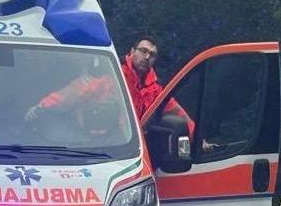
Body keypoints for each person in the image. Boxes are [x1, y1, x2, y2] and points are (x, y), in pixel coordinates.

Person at [25, 36, 196, 138]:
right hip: (104, 142)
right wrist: (41, 107)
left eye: (151, 54)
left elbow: (178, 113)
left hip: (137, 147)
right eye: (143, 51)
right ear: (132, 51)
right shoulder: (112, 76)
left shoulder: (156, 89)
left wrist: (197, 138)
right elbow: (72, 93)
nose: (146, 57)